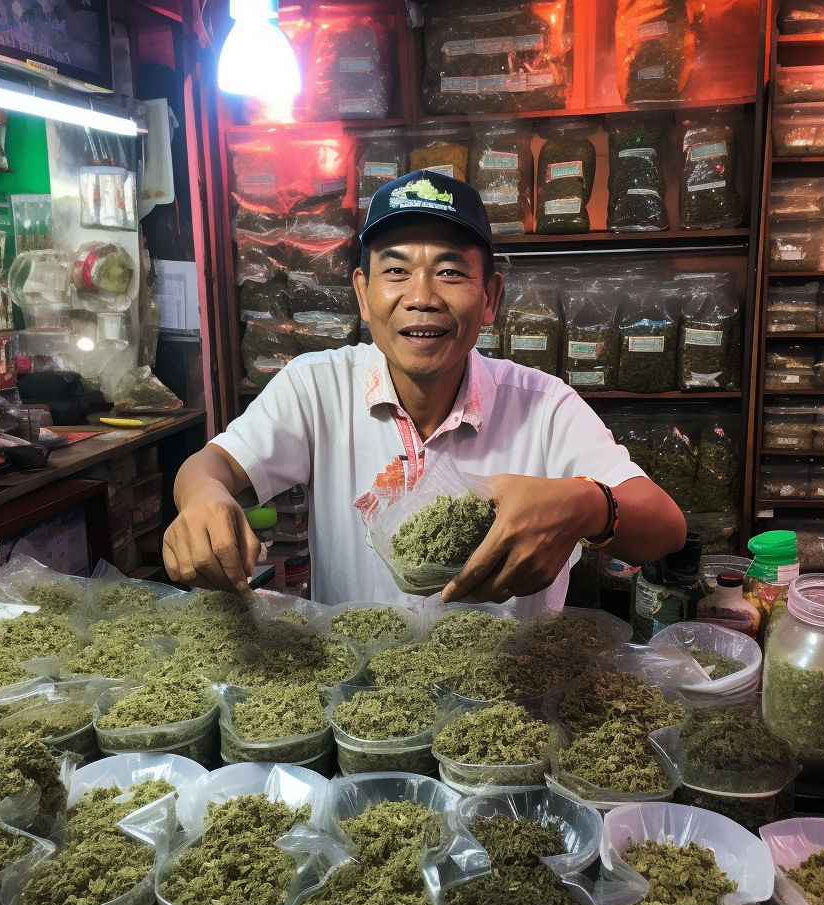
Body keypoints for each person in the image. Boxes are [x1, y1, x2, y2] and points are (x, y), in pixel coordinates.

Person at [164, 170, 686, 610]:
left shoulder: (544, 407)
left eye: (450, 271)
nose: (421, 297)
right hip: (361, 706)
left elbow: (665, 526)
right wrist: (202, 498)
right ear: (362, 295)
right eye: (395, 270)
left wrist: (588, 506)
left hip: (503, 705)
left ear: (490, 298)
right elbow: (206, 468)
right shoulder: (315, 385)